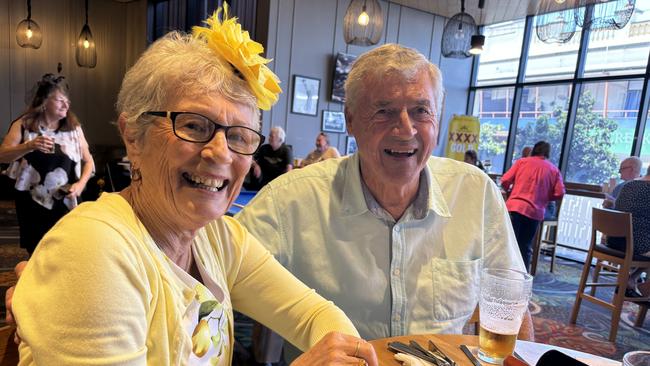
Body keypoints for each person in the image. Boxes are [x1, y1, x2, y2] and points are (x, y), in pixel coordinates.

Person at [10, 7, 378, 366]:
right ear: (133, 137)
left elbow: (315, 315)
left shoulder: (219, 238)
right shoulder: (95, 248)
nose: (220, 152)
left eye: (239, 136)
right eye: (193, 126)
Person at [236, 43, 533, 353]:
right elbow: (208, 265)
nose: (405, 130)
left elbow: (512, 303)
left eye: (421, 111)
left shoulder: (475, 192)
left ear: (438, 117)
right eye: (383, 111)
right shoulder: (292, 199)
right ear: (350, 121)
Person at [0, 74, 95, 255]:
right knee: (37, 253)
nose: (66, 105)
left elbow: (89, 161)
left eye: (67, 101)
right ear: (44, 101)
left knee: (67, 252)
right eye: (60, 100)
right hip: (33, 204)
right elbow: (2, 156)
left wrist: (80, 185)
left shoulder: (73, 128)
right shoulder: (24, 125)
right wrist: (29, 145)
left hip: (66, 201)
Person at [501, 141, 565, 271]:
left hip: (514, 207)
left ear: (534, 150)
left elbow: (505, 180)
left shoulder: (522, 162)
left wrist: (510, 192)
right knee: (525, 245)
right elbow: (560, 193)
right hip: (534, 212)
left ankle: (502, 272)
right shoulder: (553, 170)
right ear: (547, 153)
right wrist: (546, 197)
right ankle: (522, 276)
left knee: (508, 243)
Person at [606, 164, 650, 297]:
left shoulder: (627, 186)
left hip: (614, 240)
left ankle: (632, 279)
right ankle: (645, 290)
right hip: (636, 245)